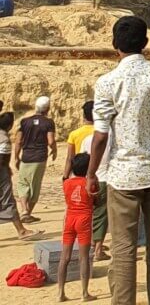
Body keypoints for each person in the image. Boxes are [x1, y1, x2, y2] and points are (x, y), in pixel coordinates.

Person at [87, 15, 150, 305]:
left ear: (114, 46)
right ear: (145, 43)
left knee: (123, 249)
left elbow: (100, 135)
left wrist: (91, 173)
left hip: (124, 175)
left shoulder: (108, 82)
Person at [59, 152, 95, 302]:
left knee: (64, 257)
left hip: (70, 218)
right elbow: (96, 200)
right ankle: (85, 293)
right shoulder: (89, 183)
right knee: (83, 257)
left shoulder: (66, 183)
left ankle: (60, 293)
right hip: (84, 219)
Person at [15, 95, 56, 221]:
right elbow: (50, 141)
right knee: (35, 185)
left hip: (26, 156)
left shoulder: (24, 121)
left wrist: (16, 157)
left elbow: (18, 141)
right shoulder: (48, 122)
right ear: (47, 108)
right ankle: (28, 212)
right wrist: (54, 150)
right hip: (40, 157)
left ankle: (24, 211)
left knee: (23, 184)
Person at [0, 113, 36, 241]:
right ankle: (21, 230)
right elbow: (2, 159)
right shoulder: (4, 139)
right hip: (1, 174)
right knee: (8, 200)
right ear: (10, 126)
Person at [63, 102, 95, 181]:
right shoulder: (102, 133)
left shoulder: (74, 134)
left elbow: (70, 157)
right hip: (96, 172)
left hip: (80, 173)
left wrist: (65, 176)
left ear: (84, 116)